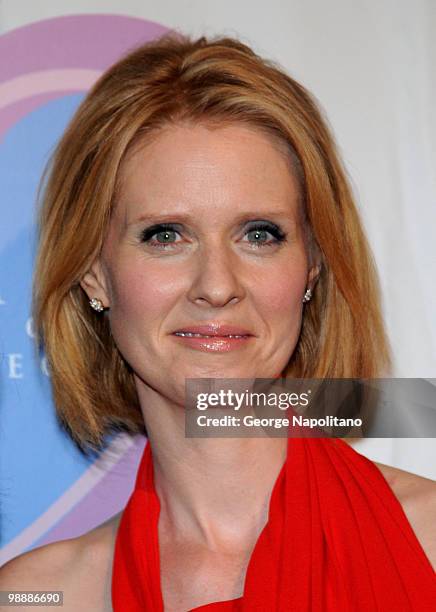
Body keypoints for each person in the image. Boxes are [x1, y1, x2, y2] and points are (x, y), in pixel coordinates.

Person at [1, 31, 435, 611]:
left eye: (259, 235)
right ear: (94, 273)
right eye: (165, 235)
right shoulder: (40, 596)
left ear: (312, 265)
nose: (217, 285)